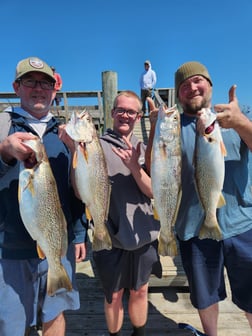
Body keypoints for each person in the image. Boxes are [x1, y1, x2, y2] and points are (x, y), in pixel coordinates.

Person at [145, 61, 252, 336]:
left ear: (210, 85)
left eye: (197, 81)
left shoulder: (236, 115)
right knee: (205, 296)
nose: (191, 87)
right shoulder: (171, 125)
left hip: (242, 224)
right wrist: (155, 133)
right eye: (184, 85)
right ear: (178, 95)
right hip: (193, 227)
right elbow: (154, 170)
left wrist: (240, 122)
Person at [0, 56, 87, 336]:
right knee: (11, 324)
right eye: (30, 82)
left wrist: (78, 234)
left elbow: (77, 192)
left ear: (54, 90)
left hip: (57, 245)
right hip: (8, 249)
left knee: (55, 315)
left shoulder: (65, 135)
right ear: (16, 87)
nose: (38, 89)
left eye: (45, 83)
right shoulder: (4, 126)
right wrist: (3, 152)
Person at [92, 90, 162, 336]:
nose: (125, 115)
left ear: (138, 116)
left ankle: (139, 333)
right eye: (120, 110)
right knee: (113, 295)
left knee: (140, 290)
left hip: (144, 237)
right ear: (111, 113)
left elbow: (154, 191)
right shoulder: (95, 146)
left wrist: (134, 167)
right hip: (109, 237)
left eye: (131, 111)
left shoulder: (146, 147)